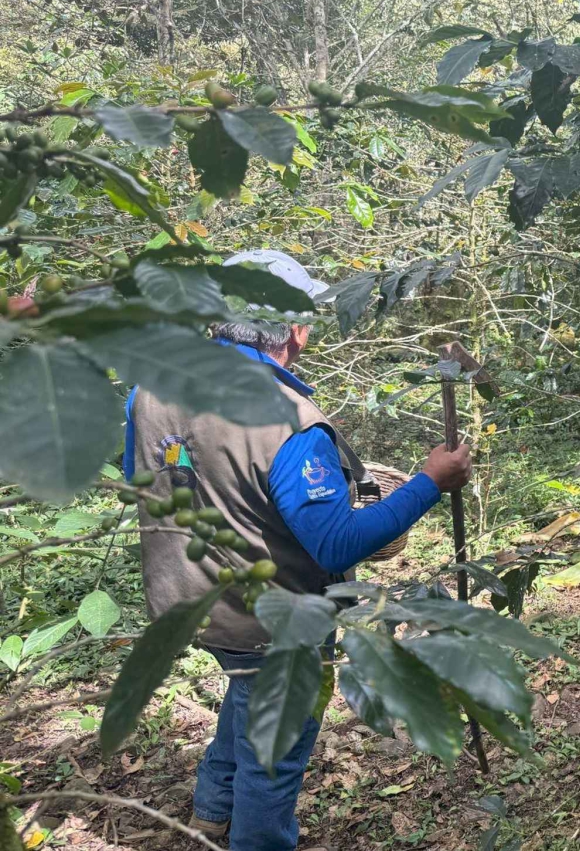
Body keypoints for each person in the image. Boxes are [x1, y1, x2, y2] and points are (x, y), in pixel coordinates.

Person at [124, 250, 472, 851]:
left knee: (246, 692)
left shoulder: (150, 388)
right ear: (296, 330)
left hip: (189, 601)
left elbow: (156, 475)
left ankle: (212, 811)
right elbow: (335, 542)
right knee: (274, 750)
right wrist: (429, 483)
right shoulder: (286, 420)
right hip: (271, 619)